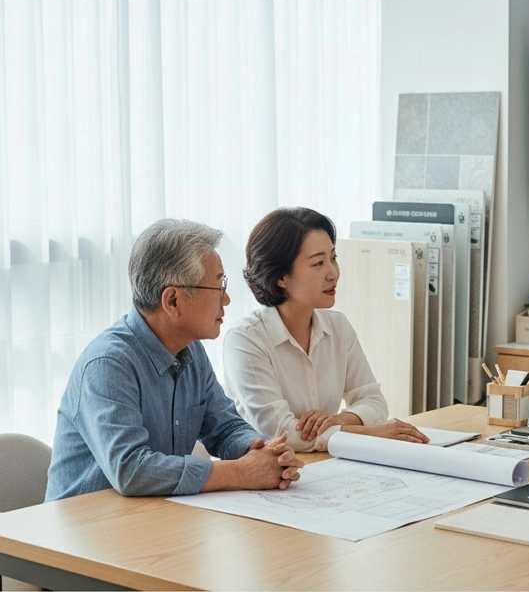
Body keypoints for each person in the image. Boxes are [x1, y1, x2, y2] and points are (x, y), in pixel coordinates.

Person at [46, 220, 304, 501]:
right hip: (82, 531)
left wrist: (261, 452)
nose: (226, 300)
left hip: (151, 518)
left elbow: (225, 427)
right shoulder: (108, 364)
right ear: (172, 300)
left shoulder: (191, 351)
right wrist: (240, 472)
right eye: (218, 286)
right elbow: (131, 470)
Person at [223, 207, 429, 452]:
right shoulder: (245, 340)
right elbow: (283, 433)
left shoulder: (338, 326)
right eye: (318, 263)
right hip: (268, 476)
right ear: (281, 277)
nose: (333, 273)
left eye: (333, 258)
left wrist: (337, 420)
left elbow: (374, 401)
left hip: (326, 466)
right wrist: (371, 433)